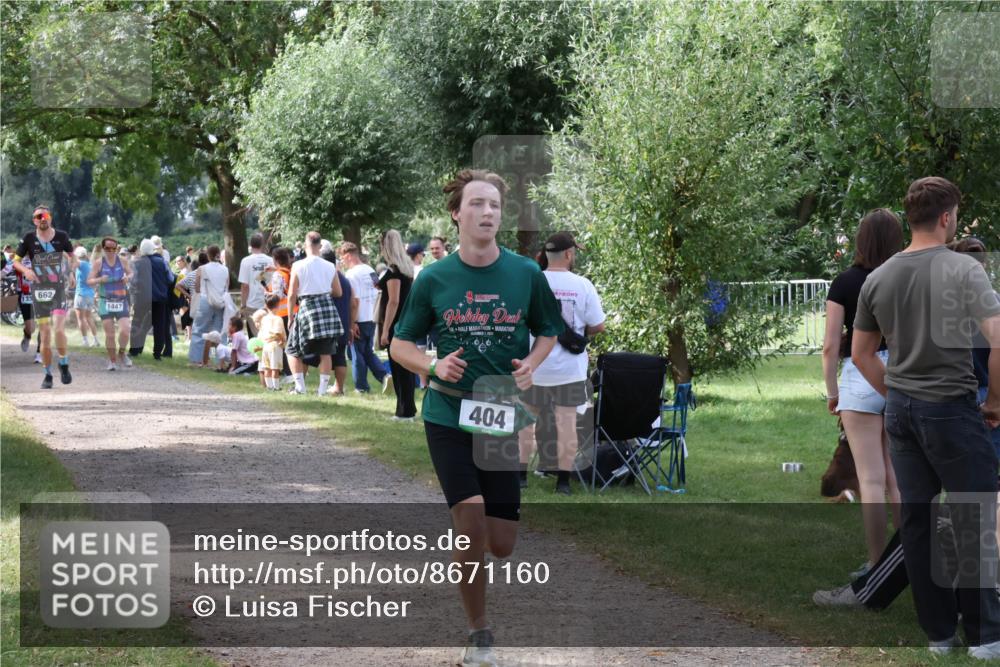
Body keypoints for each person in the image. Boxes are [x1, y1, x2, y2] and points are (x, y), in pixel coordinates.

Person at [390, 169, 563, 665]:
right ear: (456, 213)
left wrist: (532, 363)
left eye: (495, 205)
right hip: (447, 410)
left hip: (499, 411)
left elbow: (548, 329)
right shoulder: (434, 278)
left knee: (501, 543)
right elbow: (401, 344)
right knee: (468, 523)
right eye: (478, 204)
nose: (488, 213)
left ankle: (475, 559)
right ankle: (479, 634)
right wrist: (432, 364)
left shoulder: (525, 274)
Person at [853, 176, 1000, 659]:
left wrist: (895, 392)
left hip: (902, 412)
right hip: (952, 409)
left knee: (917, 520)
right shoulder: (962, 269)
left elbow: (862, 354)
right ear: (946, 217)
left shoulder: (879, 277)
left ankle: (938, 634)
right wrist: (995, 401)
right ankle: (984, 636)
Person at [822, 209, 903, 575]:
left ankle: (876, 563)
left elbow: (829, 346)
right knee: (896, 476)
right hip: (900, 374)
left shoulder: (845, 282)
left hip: (860, 373)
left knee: (870, 479)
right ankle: (911, 559)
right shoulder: (904, 279)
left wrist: (831, 391)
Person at [518, 231, 606, 495]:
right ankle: (563, 483)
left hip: (534, 365)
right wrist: (577, 332)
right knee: (567, 423)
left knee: (525, 421)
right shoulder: (583, 285)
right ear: (569, 254)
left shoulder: (531, 281)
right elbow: (598, 325)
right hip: (569, 367)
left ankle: (520, 478)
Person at [12, 206, 76, 388]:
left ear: (50, 217)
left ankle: (63, 362)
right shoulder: (28, 238)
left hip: (57, 289)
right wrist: (27, 270)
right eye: (38, 217)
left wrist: (70, 273)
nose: (42, 219)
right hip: (39, 290)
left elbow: (72, 256)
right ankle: (48, 374)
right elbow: (16, 261)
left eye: (45, 215)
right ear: (34, 220)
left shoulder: (62, 236)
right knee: (46, 335)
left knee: (58, 329)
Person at [285, 232, 343, 395]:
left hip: (306, 306)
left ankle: (300, 387)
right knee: (326, 352)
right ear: (319, 246)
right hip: (326, 306)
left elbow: (291, 294)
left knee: (293, 349)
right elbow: (338, 292)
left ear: (305, 245)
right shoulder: (330, 266)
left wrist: (290, 317)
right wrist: (322, 292)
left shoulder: (297, 265)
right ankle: (322, 390)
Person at [338, 241, 390, 393]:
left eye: (342, 258)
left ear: (348, 256)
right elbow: (378, 291)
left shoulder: (351, 274)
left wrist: (352, 323)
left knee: (356, 353)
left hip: (359, 318)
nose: (342, 262)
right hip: (372, 315)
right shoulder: (370, 270)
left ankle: (361, 386)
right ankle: (385, 377)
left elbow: (354, 301)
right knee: (367, 351)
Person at [379, 231, 417, 420]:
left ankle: (405, 411)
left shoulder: (394, 271)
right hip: (405, 322)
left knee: (399, 369)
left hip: (395, 325)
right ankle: (405, 409)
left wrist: (385, 330)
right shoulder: (406, 269)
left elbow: (393, 302)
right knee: (404, 368)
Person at [88, 236, 133, 371]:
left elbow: (131, 274)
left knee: (125, 330)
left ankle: (122, 353)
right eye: (108, 248)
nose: (111, 251)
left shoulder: (123, 261)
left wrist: (127, 278)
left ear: (117, 248)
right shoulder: (98, 263)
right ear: (103, 249)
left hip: (121, 300)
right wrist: (100, 279)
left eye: (114, 248)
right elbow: (89, 280)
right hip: (104, 300)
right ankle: (112, 361)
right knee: (110, 334)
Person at [321, 242, 354, 396]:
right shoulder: (345, 279)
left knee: (315, 354)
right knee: (340, 355)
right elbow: (353, 303)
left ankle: (304, 386)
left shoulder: (327, 277)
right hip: (344, 323)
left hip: (329, 323)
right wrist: (351, 325)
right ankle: (339, 388)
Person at [188, 245, 230, 367]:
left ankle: (196, 360)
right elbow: (226, 288)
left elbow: (196, 288)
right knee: (220, 331)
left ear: (208, 255)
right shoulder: (225, 269)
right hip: (220, 301)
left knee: (199, 329)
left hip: (205, 300)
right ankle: (220, 360)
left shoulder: (202, 269)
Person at [239, 233, 272, 337]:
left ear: (250, 244)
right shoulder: (270, 260)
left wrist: (243, 305)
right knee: (267, 334)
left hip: (251, 303)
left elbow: (245, 286)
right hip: (267, 302)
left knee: (254, 337)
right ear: (262, 244)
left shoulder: (245, 261)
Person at [147, 239, 175, 360]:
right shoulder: (162, 262)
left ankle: (135, 350)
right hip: (161, 296)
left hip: (145, 297)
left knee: (140, 324)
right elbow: (170, 279)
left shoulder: (141, 262)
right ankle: (158, 352)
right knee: (161, 325)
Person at [72, 246, 100, 347]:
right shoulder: (89, 264)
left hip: (81, 294)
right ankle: (96, 340)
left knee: (81, 319)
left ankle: (85, 341)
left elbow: (73, 261)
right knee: (89, 318)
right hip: (90, 294)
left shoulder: (81, 264)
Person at [259, 294, 287, 390]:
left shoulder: (264, 319)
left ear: (266, 305)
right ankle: (276, 387)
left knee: (267, 367)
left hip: (265, 345)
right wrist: (282, 340)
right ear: (278, 305)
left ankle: (269, 387)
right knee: (275, 368)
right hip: (275, 344)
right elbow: (278, 332)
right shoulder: (278, 318)